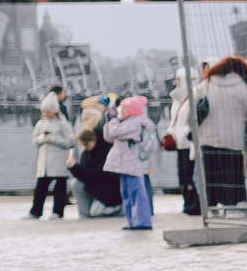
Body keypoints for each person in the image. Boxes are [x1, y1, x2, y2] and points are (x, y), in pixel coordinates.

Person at [197, 57, 247, 210]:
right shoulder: (243, 87)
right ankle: (232, 208)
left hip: (208, 138)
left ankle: (212, 208)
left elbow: (192, 109)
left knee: (212, 175)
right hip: (234, 140)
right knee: (232, 175)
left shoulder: (206, 85)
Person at [104, 94, 157, 231]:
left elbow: (114, 132)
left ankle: (142, 221)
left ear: (131, 111)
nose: (120, 112)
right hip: (125, 164)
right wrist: (109, 118)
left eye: (123, 110)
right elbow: (108, 136)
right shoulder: (127, 122)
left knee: (136, 192)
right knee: (127, 193)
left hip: (132, 162)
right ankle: (133, 221)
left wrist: (113, 118)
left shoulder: (136, 122)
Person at [70, 97, 119, 217]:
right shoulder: (87, 152)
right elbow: (87, 173)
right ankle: (85, 214)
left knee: (97, 211)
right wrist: (74, 167)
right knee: (76, 183)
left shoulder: (105, 149)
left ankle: (119, 208)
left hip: (108, 189)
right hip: (98, 186)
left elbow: (98, 174)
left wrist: (75, 167)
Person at [29, 95, 74, 219]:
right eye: (43, 111)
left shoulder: (62, 124)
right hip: (44, 161)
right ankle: (36, 211)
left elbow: (70, 141)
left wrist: (53, 139)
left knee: (60, 186)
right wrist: (42, 138)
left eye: (47, 111)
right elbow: (34, 140)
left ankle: (58, 211)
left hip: (58, 160)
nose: (45, 114)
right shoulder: (40, 124)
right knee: (41, 187)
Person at [167, 72, 201, 218]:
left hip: (189, 143)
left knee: (190, 175)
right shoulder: (176, 97)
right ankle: (188, 202)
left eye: (179, 79)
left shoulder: (195, 96)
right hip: (179, 142)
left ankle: (195, 204)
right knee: (182, 175)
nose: (177, 82)